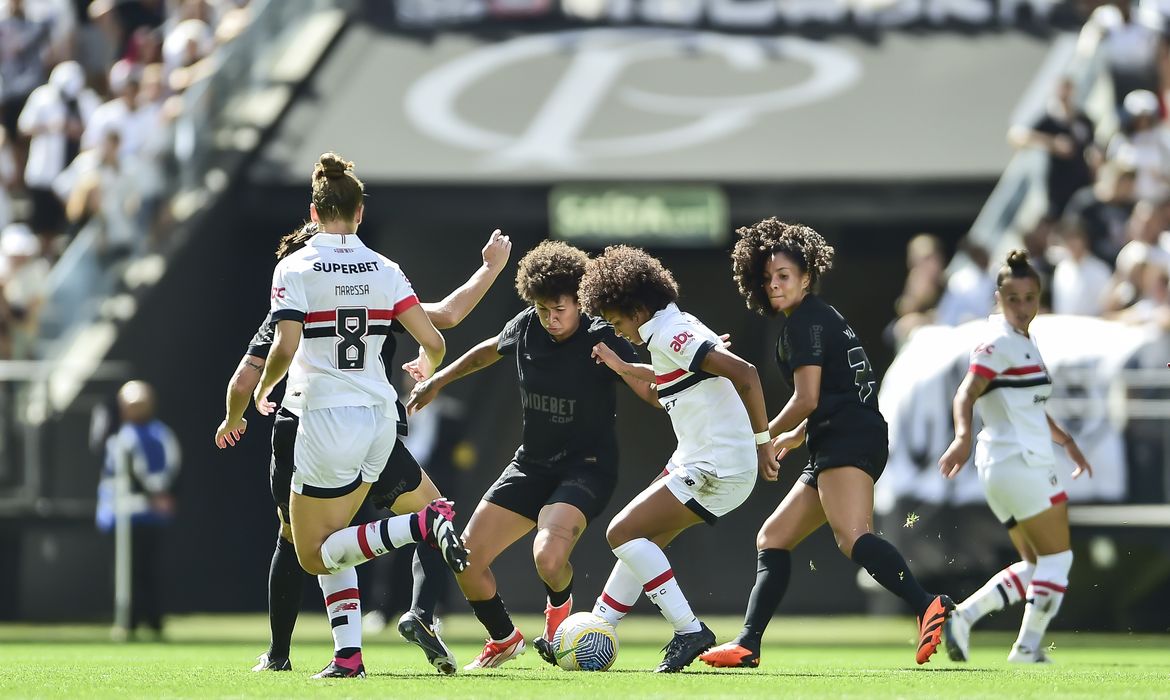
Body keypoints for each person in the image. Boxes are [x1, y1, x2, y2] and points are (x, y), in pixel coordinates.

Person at [215, 224, 511, 675]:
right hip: (374, 424)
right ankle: (414, 616)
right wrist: (489, 269)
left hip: (308, 428)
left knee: (303, 544)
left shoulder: (290, 306)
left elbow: (245, 377)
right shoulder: (372, 290)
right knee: (426, 511)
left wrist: (234, 417)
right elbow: (446, 317)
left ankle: (283, 653)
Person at [249, 152, 469, 679]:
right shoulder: (386, 268)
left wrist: (262, 387)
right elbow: (434, 339)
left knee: (314, 555)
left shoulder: (296, 265)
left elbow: (283, 346)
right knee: (338, 537)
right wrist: (427, 364)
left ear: (313, 210)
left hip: (322, 416)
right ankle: (348, 657)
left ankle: (421, 523)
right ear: (360, 213)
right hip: (378, 418)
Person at [700, 218, 953, 669]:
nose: (774, 286)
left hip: (847, 438)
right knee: (773, 538)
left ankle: (926, 603)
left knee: (852, 537)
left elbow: (808, 397)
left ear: (806, 278)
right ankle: (748, 644)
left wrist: (763, 435)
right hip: (841, 435)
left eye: (784, 277)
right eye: (767, 279)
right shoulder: (819, 316)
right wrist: (796, 435)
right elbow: (831, 393)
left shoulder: (804, 325)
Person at [406, 240, 657, 670]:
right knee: (465, 559)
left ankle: (558, 621)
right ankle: (503, 638)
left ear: (579, 301)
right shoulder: (526, 326)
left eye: (560, 309)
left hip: (586, 467)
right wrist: (437, 381)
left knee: (548, 556)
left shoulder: (601, 335)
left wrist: (637, 369)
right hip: (532, 464)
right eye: (543, 309)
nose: (551, 318)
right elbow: (486, 351)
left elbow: (649, 389)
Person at [578, 244, 777, 673]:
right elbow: (660, 390)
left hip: (716, 464)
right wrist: (619, 364)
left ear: (636, 308)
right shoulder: (663, 331)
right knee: (641, 544)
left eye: (616, 322)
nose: (618, 331)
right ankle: (598, 625)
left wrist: (764, 442)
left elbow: (746, 373)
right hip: (702, 458)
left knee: (621, 532)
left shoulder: (670, 331)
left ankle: (689, 630)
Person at [938, 249, 1093, 664]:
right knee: (1059, 560)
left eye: (1029, 298)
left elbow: (1031, 407)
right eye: (1013, 299)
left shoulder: (1025, 340)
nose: (1022, 307)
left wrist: (1067, 441)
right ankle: (1026, 649)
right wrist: (962, 436)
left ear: (1039, 297)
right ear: (998, 299)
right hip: (1020, 462)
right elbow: (965, 393)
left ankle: (963, 617)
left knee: (1036, 563)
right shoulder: (997, 342)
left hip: (1007, 465)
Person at [96, 380, 180, 639]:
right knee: (123, 572)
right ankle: (127, 622)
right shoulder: (117, 435)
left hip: (148, 516)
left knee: (149, 570)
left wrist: (156, 493)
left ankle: (154, 622)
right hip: (119, 514)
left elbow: (169, 467)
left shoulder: (160, 434)